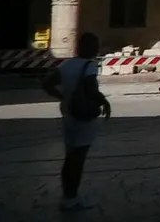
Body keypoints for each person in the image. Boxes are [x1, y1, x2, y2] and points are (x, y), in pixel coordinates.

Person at [41, 32, 111, 212]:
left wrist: (64, 97)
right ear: (91, 48)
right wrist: (104, 102)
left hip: (69, 113)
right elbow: (91, 88)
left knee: (70, 155)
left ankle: (67, 195)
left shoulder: (66, 64)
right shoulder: (89, 66)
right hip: (84, 115)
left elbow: (47, 84)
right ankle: (72, 197)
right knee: (78, 158)